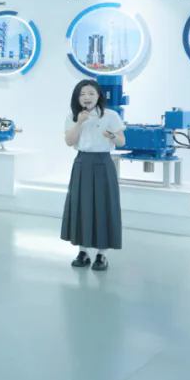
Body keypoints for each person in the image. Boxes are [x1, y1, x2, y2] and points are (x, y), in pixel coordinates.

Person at [62, 79, 125, 271]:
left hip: (103, 163)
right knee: (81, 206)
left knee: (104, 207)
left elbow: (121, 141)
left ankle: (101, 254)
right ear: (77, 98)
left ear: (98, 96)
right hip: (82, 163)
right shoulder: (73, 117)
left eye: (91, 93)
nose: (86, 97)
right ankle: (82, 251)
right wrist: (79, 123)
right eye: (82, 94)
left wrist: (111, 136)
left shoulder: (111, 115)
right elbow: (69, 141)